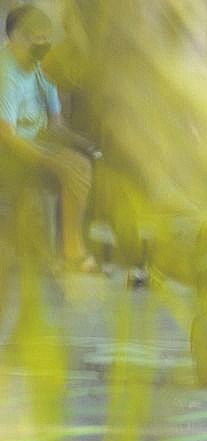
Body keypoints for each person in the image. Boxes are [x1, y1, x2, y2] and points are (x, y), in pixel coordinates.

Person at [0, 4, 96, 270]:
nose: (42, 43)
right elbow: (6, 136)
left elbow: (56, 123)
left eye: (45, 37)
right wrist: (52, 159)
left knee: (84, 160)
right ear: (16, 37)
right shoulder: (5, 75)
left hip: (33, 142)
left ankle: (69, 248)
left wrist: (79, 143)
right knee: (72, 167)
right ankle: (71, 253)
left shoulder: (41, 67)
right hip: (9, 152)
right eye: (36, 37)